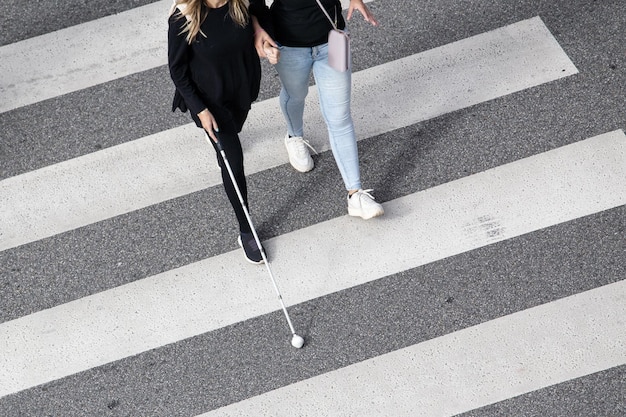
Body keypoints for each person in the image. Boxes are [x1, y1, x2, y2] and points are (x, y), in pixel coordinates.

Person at [250, 0, 384, 220]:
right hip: (288, 45)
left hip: (333, 38)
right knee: (296, 95)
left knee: (339, 116)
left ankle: (356, 194)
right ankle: (294, 135)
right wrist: (257, 29)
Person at [168, 0, 278, 264]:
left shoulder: (243, 2)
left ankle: (221, 141)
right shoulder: (184, 16)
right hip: (210, 102)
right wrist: (201, 110)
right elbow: (177, 70)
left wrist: (265, 41)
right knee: (233, 164)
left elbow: (262, 19)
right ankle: (246, 229)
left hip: (241, 89)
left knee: (236, 132)